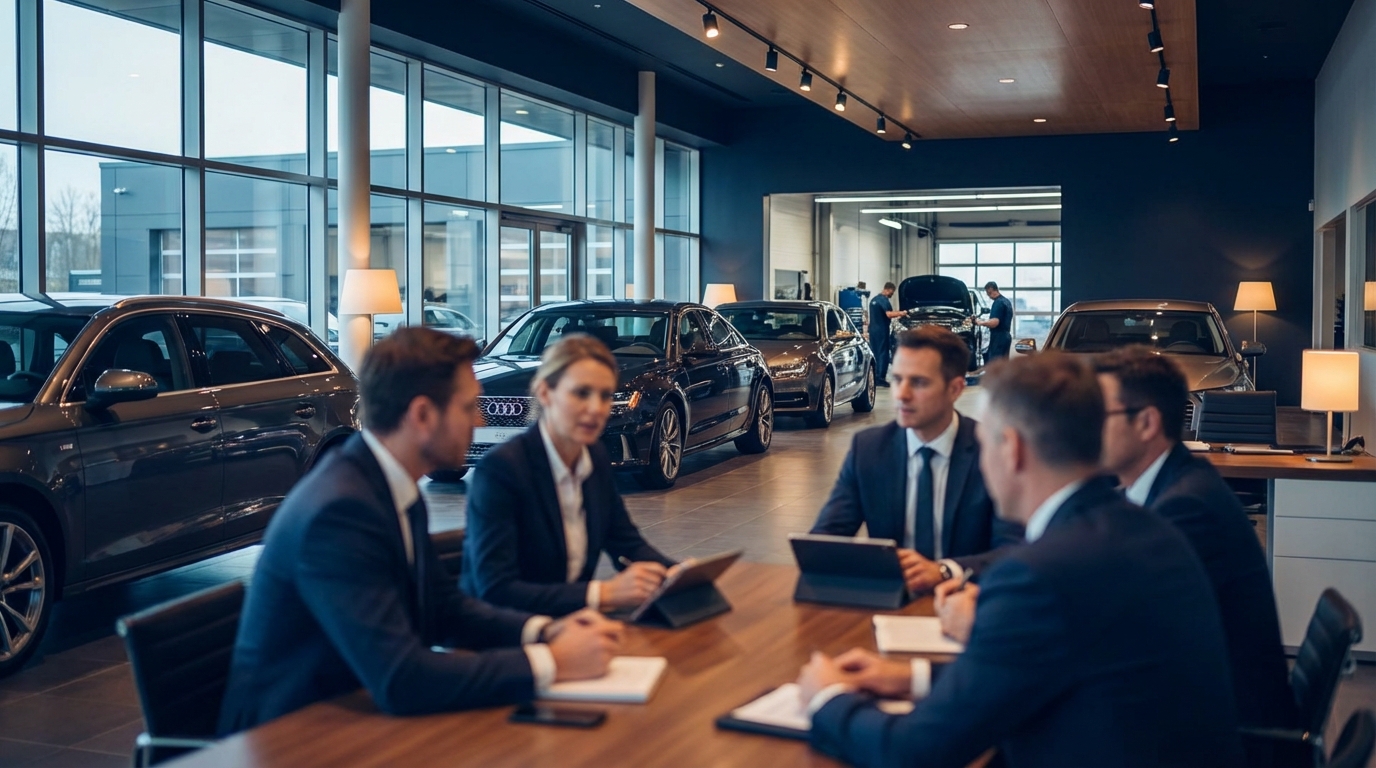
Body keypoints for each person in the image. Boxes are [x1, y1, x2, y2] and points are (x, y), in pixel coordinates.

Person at [798, 352, 1243, 768]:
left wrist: (827, 698)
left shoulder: (1037, 576)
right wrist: (910, 678)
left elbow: (915, 751)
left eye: (985, 439)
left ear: (1011, 449)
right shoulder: (1144, 526)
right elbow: (1039, 669)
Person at [218, 328, 623, 734]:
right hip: (290, 738)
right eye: (469, 407)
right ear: (424, 416)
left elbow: (445, 609)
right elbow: (401, 678)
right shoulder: (341, 511)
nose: (480, 419)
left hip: (355, 712)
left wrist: (545, 630)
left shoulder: (387, 484)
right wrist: (553, 661)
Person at [1096, 347, 1297, 746]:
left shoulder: (1186, 509)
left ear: (1147, 423)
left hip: (1225, 735)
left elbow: (1127, 627)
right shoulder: (1176, 478)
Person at [463, 334, 677, 616]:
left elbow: (627, 543)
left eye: (605, 396)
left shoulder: (595, 458)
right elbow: (496, 590)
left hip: (572, 619)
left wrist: (677, 574)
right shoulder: (502, 470)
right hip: (506, 634)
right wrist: (603, 593)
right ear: (545, 393)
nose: (596, 409)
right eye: (581, 393)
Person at [810, 326, 1020, 593]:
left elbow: (1015, 550)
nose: (901, 394)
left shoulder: (991, 450)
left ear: (955, 389)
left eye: (918, 382)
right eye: (897, 379)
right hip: (892, 604)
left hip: (970, 601)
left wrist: (944, 571)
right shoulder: (870, 449)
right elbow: (825, 541)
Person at [867, 281, 904, 385]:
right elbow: (889, 314)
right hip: (881, 330)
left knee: (874, 353)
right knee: (883, 353)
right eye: (892, 292)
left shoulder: (873, 300)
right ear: (889, 289)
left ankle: (874, 377)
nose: (892, 294)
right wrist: (902, 313)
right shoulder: (884, 300)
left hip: (873, 330)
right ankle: (880, 378)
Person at [974, 281, 1013, 361]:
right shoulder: (1006, 301)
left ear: (990, 290)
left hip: (998, 337)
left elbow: (995, 322)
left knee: (995, 363)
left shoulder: (998, 303)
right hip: (1006, 337)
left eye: (988, 293)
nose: (988, 296)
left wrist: (980, 322)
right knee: (1003, 364)